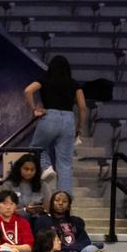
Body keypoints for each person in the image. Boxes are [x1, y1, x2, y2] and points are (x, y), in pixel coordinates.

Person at [23, 55, 86, 199]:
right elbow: (82, 108)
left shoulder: (45, 79)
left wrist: (34, 109)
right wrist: (79, 127)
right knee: (65, 163)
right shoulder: (74, 84)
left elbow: (28, 91)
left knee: (36, 148)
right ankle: (64, 200)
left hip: (49, 116)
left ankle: (46, 167)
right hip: (69, 119)